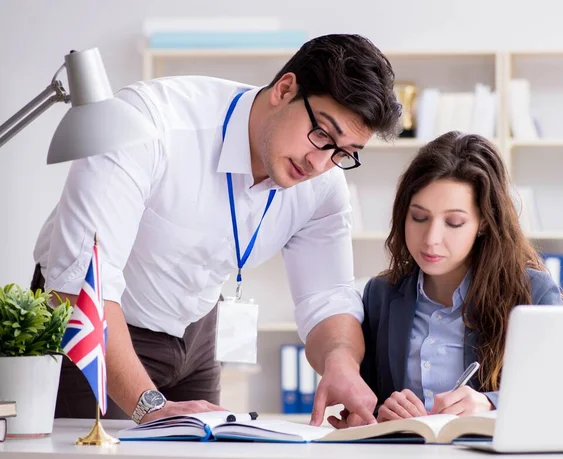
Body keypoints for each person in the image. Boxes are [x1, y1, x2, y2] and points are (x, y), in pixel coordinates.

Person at [31, 34, 401, 426]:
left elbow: (327, 296)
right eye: (323, 134)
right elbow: (80, 281)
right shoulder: (147, 122)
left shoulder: (323, 184)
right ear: (285, 89)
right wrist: (147, 404)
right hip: (94, 323)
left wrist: (340, 361)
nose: (319, 162)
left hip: (198, 332)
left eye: (343, 153)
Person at [359, 131, 563, 423]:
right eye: (419, 217)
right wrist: (379, 412)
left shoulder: (534, 291)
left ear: (483, 222)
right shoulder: (380, 294)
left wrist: (490, 404)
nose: (431, 239)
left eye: (454, 222)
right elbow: (366, 403)